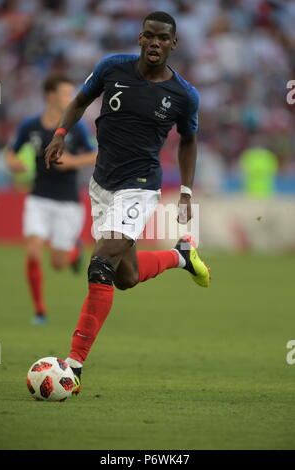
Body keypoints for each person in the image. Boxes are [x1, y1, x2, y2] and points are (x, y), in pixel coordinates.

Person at [44, 11, 211, 394]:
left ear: (173, 44)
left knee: (101, 264)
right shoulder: (111, 68)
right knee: (126, 277)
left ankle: (74, 365)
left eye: (163, 38)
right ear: (140, 38)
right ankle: (180, 256)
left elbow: (188, 140)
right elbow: (80, 101)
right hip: (102, 184)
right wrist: (60, 134)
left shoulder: (184, 95)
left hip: (140, 187)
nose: (155, 43)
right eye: (149, 36)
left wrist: (185, 190)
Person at [6, 75, 97, 324]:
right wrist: (14, 164)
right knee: (33, 250)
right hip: (38, 198)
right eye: (66, 93)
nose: (71, 98)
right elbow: (11, 154)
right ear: (51, 96)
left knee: (57, 263)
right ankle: (39, 311)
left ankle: (73, 251)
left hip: (67, 202)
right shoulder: (30, 126)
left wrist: (71, 162)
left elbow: (96, 155)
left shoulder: (76, 127)